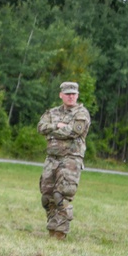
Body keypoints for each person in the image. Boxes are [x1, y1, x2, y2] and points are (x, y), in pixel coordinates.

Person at [37, 81, 90, 239]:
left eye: (73, 94)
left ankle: (61, 231)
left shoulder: (82, 113)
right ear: (61, 95)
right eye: (67, 94)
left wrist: (54, 129)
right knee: (47, 196)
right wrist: (57, 126)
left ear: (77, 95)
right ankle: (52, 226)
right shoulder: (52, 112)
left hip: (71, 159)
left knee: (62, 195)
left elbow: (74, 131)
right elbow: (41, 127)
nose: (71, 96)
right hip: (52, 158)